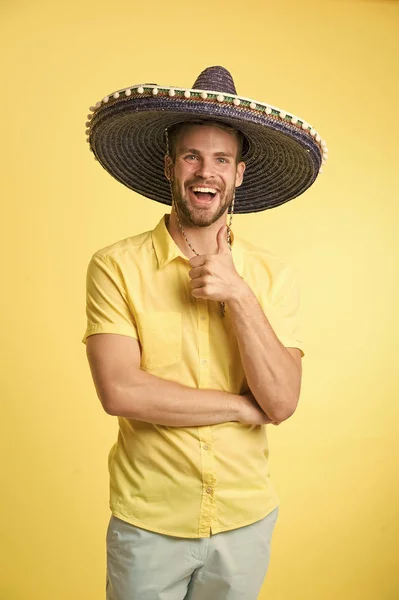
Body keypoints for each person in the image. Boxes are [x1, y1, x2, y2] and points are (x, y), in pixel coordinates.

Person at [82, 65, 327, 600]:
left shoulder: (270, 275)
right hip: (149, 523)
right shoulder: (115, 266)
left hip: (245, 520)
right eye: (192, 155)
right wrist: (239, 407)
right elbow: (121, 390)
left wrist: (239, 294)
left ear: (239, 174)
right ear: (170, 167)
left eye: (221, 159)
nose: (205, 172)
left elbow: (282, 400)